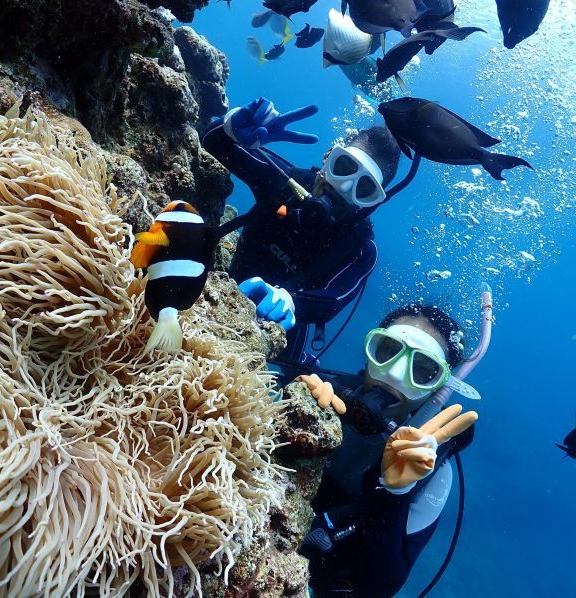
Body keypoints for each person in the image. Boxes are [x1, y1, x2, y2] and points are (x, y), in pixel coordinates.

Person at [295, 300, 490, 597]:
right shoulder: (323, 393)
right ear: (370, 351)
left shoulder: (432, 470)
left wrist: (394, 494)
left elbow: (379, 588)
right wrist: (295, 410)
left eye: (423, 370)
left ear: (439, 388)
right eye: (387, 351)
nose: (395, 375)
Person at [202, 97, 401, 372]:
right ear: (328, 157)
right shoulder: (284, 182)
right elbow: (214, 144)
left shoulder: (360, 249)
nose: (343, 187)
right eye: (344, 167)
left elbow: (331, 301)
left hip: (280, 339)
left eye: (363, 187)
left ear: (372, 202)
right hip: (216, 291)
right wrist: (231, 130)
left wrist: (291, 299)